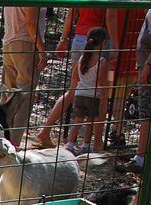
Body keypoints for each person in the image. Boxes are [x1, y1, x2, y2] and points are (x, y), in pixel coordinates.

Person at [33, 5, 112, 150]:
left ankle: (46, 130)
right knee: (103, 93)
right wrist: (115, 45)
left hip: (79, 39)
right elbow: (110, 17)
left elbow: (71, 14)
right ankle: (96, 142)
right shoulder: (103, 54)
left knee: (72, 90)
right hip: (100, 38)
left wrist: (63, 39)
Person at [116, 8, 151, 176]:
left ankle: (141, 159)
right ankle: (143, 153)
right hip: (147, 63)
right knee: (145, 109)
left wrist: (148, 65)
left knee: (146, 111)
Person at [1, 6, 48, 148]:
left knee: (8, 95)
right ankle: (12, 147)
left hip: (9, 43)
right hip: (26, 43)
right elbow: (31, 22)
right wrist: (42, 50)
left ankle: (1, 141)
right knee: (24, 97)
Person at [64, 27, 108, 156]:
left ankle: (70, 145)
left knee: (78, 121)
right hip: (92, 96)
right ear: (103, 43)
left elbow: (75, 77)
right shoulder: (101, 61)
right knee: (90, 122)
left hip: (79, 94)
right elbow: (101, 81)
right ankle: (86, 146)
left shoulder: (82, 58)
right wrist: (103, 96)